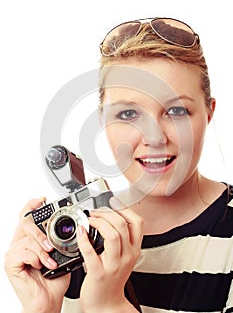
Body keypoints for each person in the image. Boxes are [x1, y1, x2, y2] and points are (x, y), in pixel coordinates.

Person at [4, 17, 233, 313]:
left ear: (209, 113)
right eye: (128, 114)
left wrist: (109, 305)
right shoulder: (74, 238)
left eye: (176, 111)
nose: (154, 137)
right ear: (103, 119)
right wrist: (41, 306)